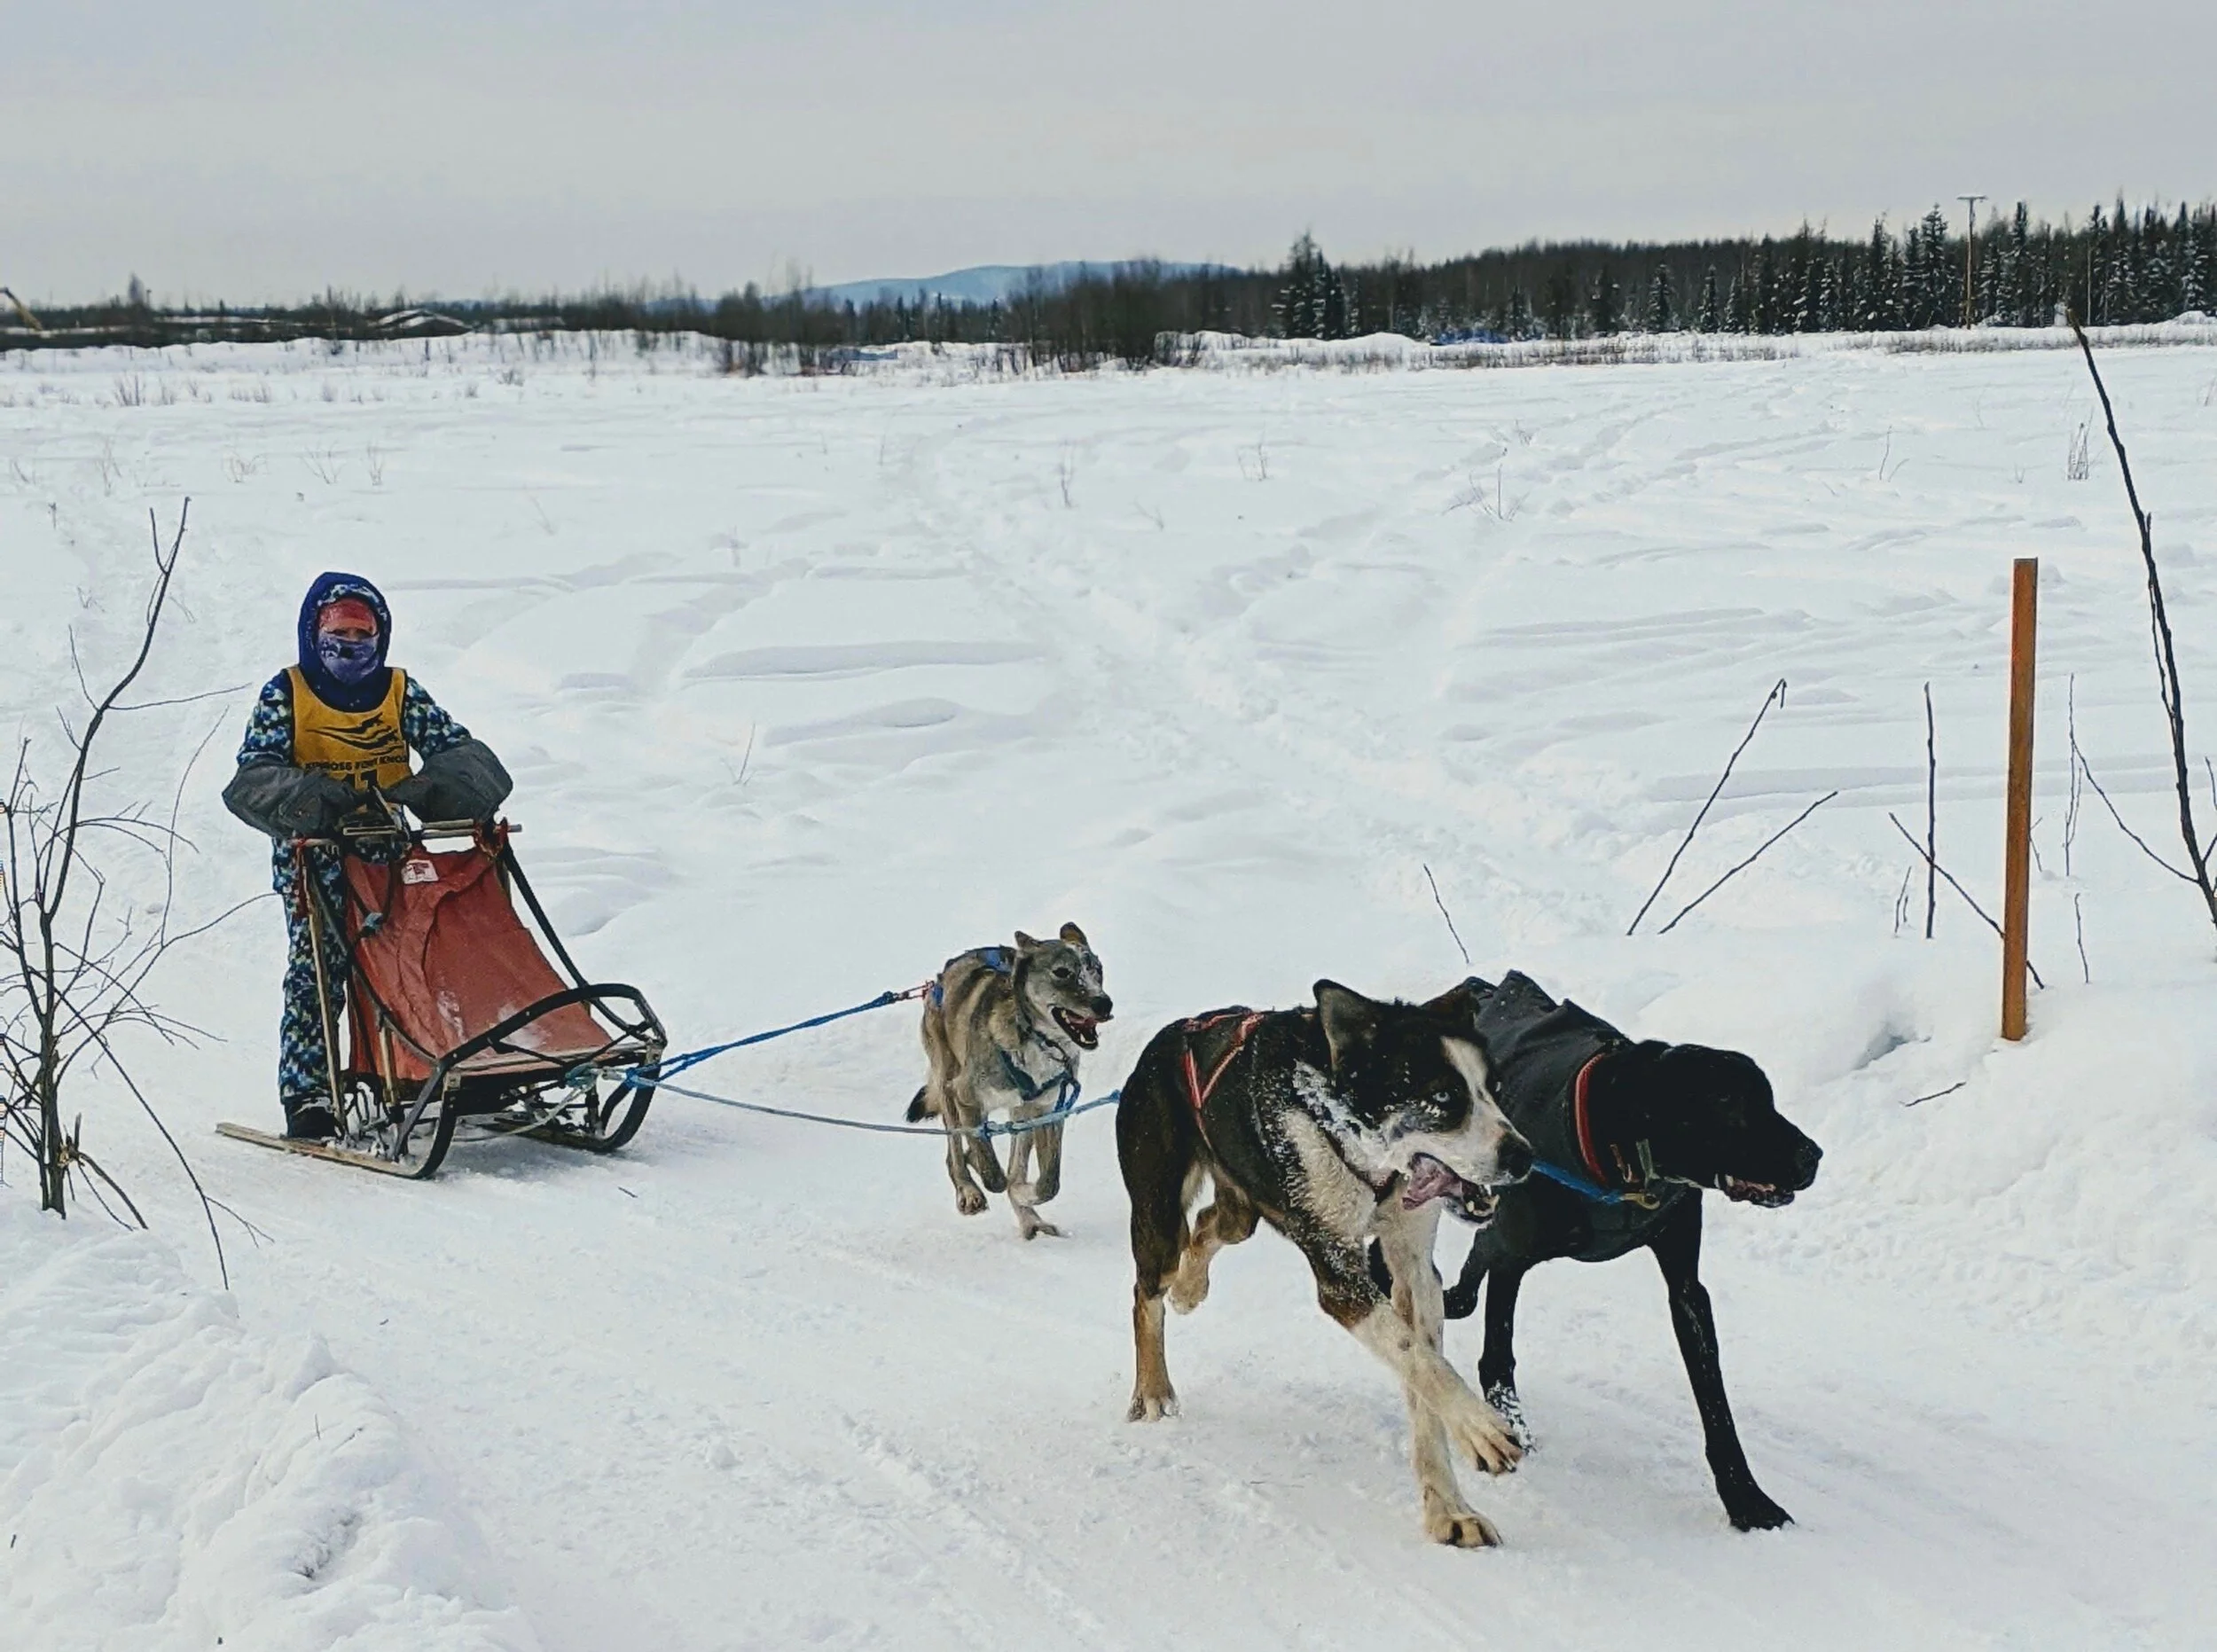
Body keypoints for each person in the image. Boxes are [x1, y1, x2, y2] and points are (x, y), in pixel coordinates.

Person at [222, 574, 511, 1140]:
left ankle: (426, 1066)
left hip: (388, 852)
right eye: (338, 633)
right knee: (320, 970)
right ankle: (308, 1093)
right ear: (314, 633)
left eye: (362, 633)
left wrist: (436, 788)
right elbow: (254, 776)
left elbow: (460, 751)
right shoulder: (287, 694)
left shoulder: (398, 691)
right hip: (316, 857)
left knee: (418, 957)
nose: (350, 645)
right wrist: (314, 797)